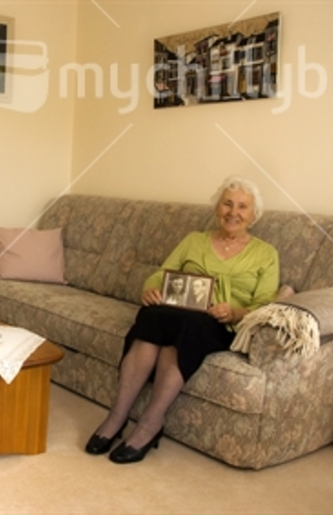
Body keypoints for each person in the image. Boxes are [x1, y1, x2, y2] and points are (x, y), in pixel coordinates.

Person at [84, 176, 279, 464]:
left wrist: (235, 312)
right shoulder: (194, 240)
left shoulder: (266, 254)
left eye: (242, 207)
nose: (233, 212)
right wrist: (151, 289)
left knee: (185, 327)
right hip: (176, 311)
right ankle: (117, 416)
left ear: (254, 215)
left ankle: (150, 424)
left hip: (219, 323)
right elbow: (162, 274)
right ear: (217, 207)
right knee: (152, 316)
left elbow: (264, 305)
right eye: (227, 203)